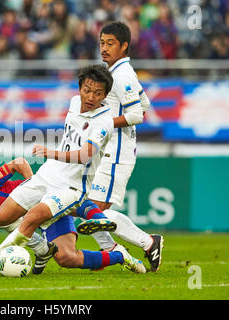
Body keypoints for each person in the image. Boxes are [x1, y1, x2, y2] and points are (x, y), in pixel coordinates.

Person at [0, 64, 146, 274]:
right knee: (3, 218)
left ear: (106, 95)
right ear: (79, 88)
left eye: (98, 93)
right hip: (48, 176)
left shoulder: (104, 122)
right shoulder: (74, 103)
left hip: (70, 188)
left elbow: (84, 156)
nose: (91, 97)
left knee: (33, 217)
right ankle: (55, 245)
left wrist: (49, 152)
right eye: (87, 90)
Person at [80, 21, 164, 272]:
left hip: (116, 152)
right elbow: (145, 102)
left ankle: (146, 243)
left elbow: (138, 114)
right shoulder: (117, 73)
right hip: (108, 150)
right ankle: (116, 250)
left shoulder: (122, 75)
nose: (104, 48)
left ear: (124, 46)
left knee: (92, 211)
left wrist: (103, 121)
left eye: (110, 43)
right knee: (87, 209)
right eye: (102, 43)